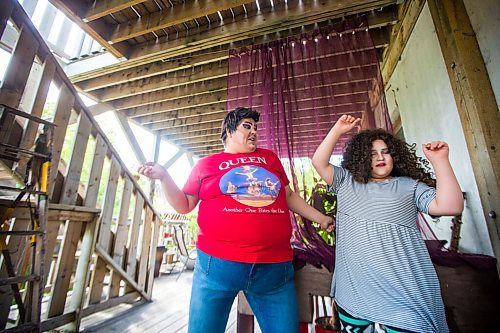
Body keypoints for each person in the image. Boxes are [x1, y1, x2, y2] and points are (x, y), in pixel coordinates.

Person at [138, 107, 334, 333]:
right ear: (229, 132)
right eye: (247, 126)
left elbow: (288, 196)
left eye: (256, 128)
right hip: (218, 267)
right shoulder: (207, 164)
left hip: (273, 272)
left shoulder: (269, 158)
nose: (254, 132)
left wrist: (320, 218)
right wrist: (164, 176)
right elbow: (184, 205)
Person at [311, 115, 463, 333]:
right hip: (354, 291)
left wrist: (440, 161)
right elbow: (319, 161)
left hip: (404, 292)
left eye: (385, 152)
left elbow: (451, 206)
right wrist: (337, 130)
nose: (380, 157)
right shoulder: (346, 182)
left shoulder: (410, 186)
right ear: (361, 158)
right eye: (372, 154)